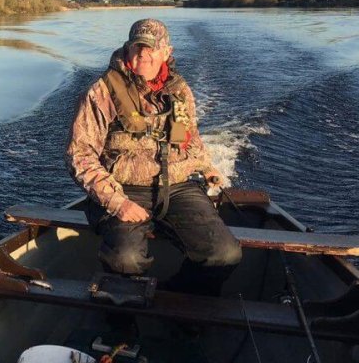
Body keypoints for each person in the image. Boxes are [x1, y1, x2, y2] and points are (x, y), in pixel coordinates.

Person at [65, 19, 241, 296]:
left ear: (166, 52)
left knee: (225, 253)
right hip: (123, 189)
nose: (143, 54)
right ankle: (121, 325)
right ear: (127, 49)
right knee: (126, 259)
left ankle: (180, 299)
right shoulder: (101, 92)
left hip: (179, 186)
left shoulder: (179, 89)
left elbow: (189, 136)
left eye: (152, 48)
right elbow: (80, 155)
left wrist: (206, 166)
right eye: (138, 47)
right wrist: (117, 202)